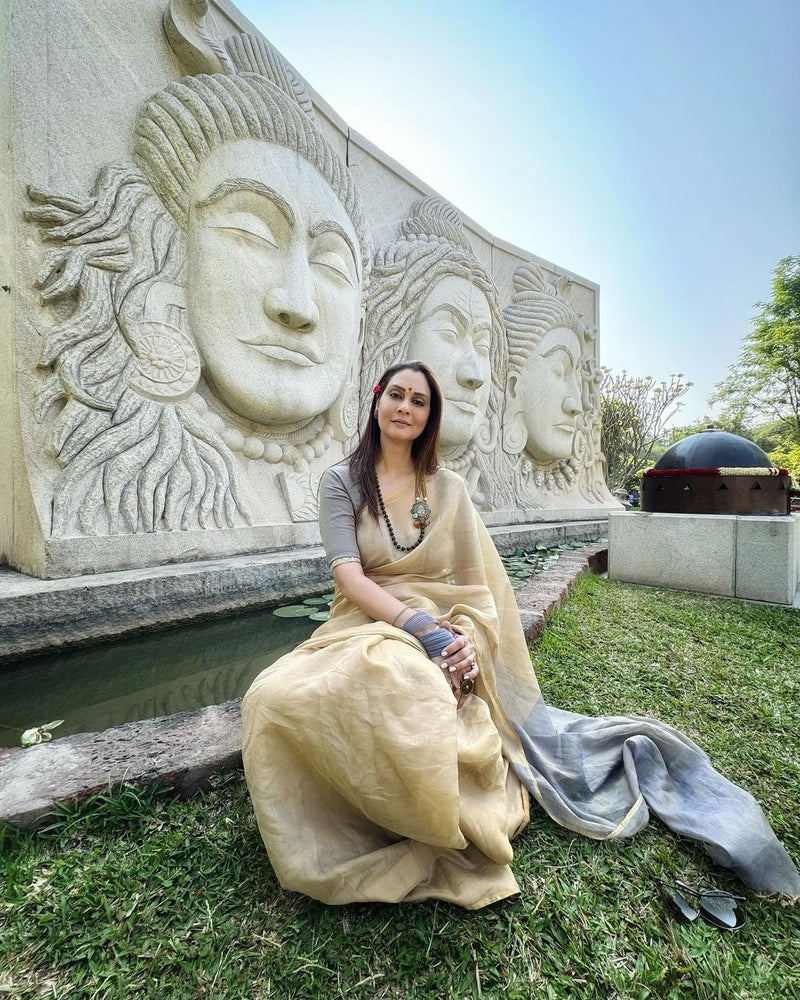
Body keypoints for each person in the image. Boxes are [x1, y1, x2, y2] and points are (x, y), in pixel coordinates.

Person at [241, 361, 800, 908]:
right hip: (366, 617)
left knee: (405, 688)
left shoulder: (448, 488)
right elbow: (347, 575)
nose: (405, 408)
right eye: (397, 395)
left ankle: (431, 812)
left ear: (431, 417)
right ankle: (343, 818)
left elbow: (475, 587)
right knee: (273, 697)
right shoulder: (341, 481)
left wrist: (460, 637)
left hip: (445, 620)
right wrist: (418, 626)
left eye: (419, 402)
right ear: (376, 398)